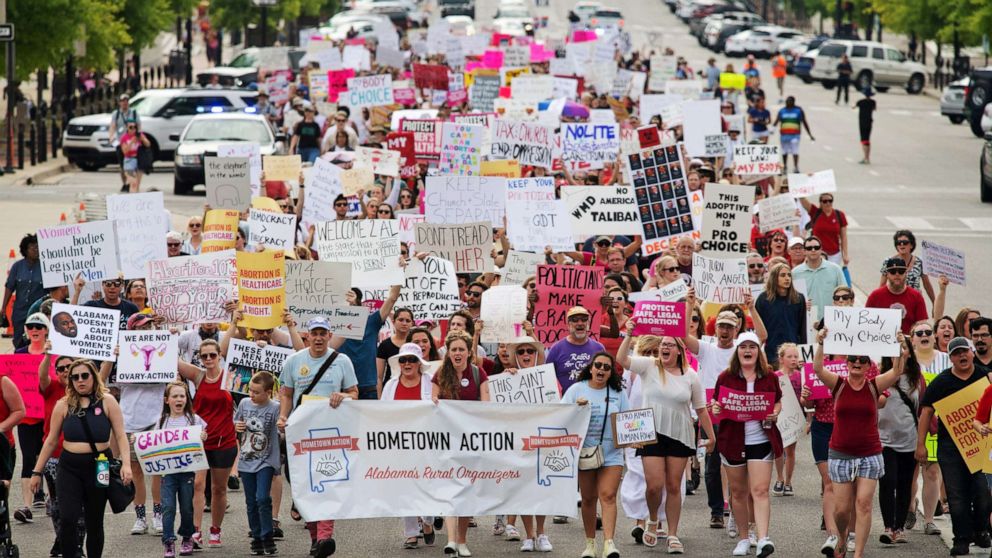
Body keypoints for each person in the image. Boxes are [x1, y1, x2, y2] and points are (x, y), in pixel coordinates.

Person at [616, 328, 715, 554]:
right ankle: (651, 519)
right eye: (663, 345)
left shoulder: (691, 376)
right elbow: (621, 359)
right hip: (651, 434)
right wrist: (630, 333)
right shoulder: (649, 366)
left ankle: (672, 534)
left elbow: (701, 409)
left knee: (673, 486)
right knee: (654, 486)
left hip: (680, 435)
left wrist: (711, 436)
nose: (664, 348)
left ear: (680, 351)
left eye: (670, 345)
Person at [813, 328, 906, 558]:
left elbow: (897, 370)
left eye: (862, 360)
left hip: (869, 453)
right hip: (840, 453)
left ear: (868, 365)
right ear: (846, 363)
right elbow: (817, 368)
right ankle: (843, 539)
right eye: (852, 359)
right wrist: (821, 343)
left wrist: (899, 347)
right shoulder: (839, 385)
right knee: (842, 510)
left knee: (864, 504)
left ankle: (859, 554)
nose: (856, 362)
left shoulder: (874, 385)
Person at [30, 359, 133, 558]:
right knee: (68, 518)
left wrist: (126, 464)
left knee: (95, 521)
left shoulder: (107, 401)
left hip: (100, 465)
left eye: (84, 376)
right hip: (69, 467)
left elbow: (121, 435)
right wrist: (36, 471)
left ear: (93, 377)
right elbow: (51, 441)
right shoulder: (63, 404)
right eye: (75, 377)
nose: (80, 380)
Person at [277, 317, 358, 558]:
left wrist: (343, 396)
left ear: (330, 335)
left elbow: (355, 393)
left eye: (323, 333)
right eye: (315, 333)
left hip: (331, 433)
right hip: (301, 433)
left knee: (327, 482)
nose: (319, 337)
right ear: (307, 336)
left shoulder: (342, 361)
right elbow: (287, 395)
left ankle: (325, 536)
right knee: (305, 485)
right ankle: (315, 537)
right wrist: (283, 417)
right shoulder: (294, 361)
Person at [917, 337, 992, 556]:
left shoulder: (985, 376)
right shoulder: (941, 382)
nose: (962, 356)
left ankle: (980, 530)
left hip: (981, 445)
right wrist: (920, 444)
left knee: (982, 492)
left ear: (972, 352)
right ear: (950, 358)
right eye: (956, 353)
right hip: (950, 448)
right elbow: (926, 412)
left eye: (965, 352)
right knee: (956, 494)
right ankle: (961, 538)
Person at [710, 332, 782, 557]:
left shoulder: (769, 376)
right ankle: (743, 538)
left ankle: (763, 538)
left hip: (760, 439)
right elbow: (716, 402)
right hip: (733, 440)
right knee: (739, 493)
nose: (748, 350)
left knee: (760, 490)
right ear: (737, 351)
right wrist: (716, 408)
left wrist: (774, 413)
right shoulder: (725, 377)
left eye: (752, 346)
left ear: (758, 352)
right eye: (743, 347)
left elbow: (777, 401)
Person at [562, 352, 629, 558]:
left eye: (606, 367)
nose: (601, 369)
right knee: (589, 499)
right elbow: (560, 415)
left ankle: (609, 544)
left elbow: (627, 421)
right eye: (598, 365)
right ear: (591, 368)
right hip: (585, 453)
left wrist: (636, 438)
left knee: (608, 496)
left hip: (612, 454)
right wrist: (575, 409)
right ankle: (590, 545)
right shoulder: (576, 389)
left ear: (611, 373)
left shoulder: (618, 393)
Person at [431, 332, 490, 557]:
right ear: (448, 352)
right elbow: (432, 404)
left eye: (461, 349)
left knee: (466, 491)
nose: (457, 353)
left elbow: (486, 404)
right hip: (446, 442)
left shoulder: (477, 373)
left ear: (468, 352)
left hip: (470, 443)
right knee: (449, 490)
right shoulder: (440, 374)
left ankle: (463, 541)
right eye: (453, 350)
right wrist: (436, 402)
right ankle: (452, 540)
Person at [108, 313, 165, 537]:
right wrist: (113, 358)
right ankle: (140, 517)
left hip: (156, 419)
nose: (146, 331)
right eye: (141, 327)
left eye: (149, 327)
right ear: (132, 331)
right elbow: (105, 384)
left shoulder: (163, 350)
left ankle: (158, 515)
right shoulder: (123, 354)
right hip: (131, 420)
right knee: (137, 472)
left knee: (158, 470)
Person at [177, 339, 237, 549]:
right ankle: (195, 531)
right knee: (198, 485)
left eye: (213, 355)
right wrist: (160, 333)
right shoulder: (198, 375)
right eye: (204, 356)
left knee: (219, 489)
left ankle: (215, 530)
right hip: (199, 440)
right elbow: (169, 358)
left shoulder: (230, 375)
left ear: (220, 355)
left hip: (224, 441)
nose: (209, 359)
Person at [380, 343, 438, 549]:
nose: (407, 364)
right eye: (403, 360)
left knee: (427, 487)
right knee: (405, 487)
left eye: (412, 360)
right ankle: (411, 533)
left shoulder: (431, 382)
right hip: (400, 446)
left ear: (419, 363)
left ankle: (428, 521)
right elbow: (381, 415)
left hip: (427, 445)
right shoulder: (390, 386)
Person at [877, 337, 924, 546]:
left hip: (909, 439)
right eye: (896, 348)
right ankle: (888, 527)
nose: (901, 351)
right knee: (888, 482)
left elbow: (923, 410)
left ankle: (899, 527)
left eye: (904, 347)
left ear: (910, 352)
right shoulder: (881, 375)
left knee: (905, 484)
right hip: (884, 440)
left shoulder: (916, 378)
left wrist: (921, 443)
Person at [37, 349, 83, 557]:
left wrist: (111, 356)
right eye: (61, 368)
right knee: (59, 506)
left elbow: (100, 378)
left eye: (68, 367)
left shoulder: (84, 389)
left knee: (80, 506)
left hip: (81, 457)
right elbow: (42, 376)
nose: (65, 371)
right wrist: (48, 355)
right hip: (54, 456)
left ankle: (75, 546)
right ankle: (64, 542)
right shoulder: (51, 388)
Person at [156, 382, 208, 558]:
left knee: (187, 507)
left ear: (187, 399)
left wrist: (202, 436)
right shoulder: (162, 421)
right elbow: (153, 442)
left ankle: (187, 537)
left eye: (182, 396)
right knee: (168, 507)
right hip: (168, 473)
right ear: (167, 400)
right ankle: (168, 541)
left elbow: (204, 434)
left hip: (187, 472)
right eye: (175, 396)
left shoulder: (194, 419)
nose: (179, 399)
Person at [234, 372, 281, 556]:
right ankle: (256, 536)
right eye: (250, 391)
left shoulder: (275, 407)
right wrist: (236, 426)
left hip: (266, 460)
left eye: (256, 392)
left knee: (262, 498)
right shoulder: (245, 404)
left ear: (268, 392)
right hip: (247, 460)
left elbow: (282, 425)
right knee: (251, 501)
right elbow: (236, 421)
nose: (251, 395)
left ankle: (267, 535)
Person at [754, 263, 806, 366]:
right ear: (774, 278)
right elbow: (758, 328)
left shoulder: (798, 298)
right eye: (782, 275)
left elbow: (802, 329)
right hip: (770, 353)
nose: (787, 278)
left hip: (793, 353)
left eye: (789, 275)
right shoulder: (763, 299)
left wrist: (802, 353)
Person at [546, 306, 606, 393]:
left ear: (588, 323)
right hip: (566, 403)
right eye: (575, 320)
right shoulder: (556, 348)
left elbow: (606, 375)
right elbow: (547, 377)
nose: (580, 323)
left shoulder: (599, 348)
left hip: (592, 402)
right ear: (568, 324)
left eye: (584, 319)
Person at [2, 233, 45, 348]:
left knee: (36, 342)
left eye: (38, 247)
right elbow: (9, 287)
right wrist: (3, 308)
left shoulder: (45, 267)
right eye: (33, 248)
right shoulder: (17, 266)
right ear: (25, 250)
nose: (36, 250)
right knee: (19, 341)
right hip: (19, 312)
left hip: (38, 313)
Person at [866, 258, 929, 334]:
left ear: (906, 273)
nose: (897, 274)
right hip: (881, 341)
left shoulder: (916, 296)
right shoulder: (875, 296)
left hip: (908, 342)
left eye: (901, 271)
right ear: (887, 274)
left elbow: (922, 324)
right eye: (893, 272)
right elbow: (866, 322)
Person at [772, 344, 802, 496]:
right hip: (779, 416)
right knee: (778, 449)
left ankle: (789, 482)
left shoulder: (800, 376)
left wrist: (808, 420)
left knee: (790, 450)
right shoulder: (775, 376)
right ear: (781, 359)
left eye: (796, 356)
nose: (793, 359)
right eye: (789, 356)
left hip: (794, 417)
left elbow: (806, 399)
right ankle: (779, 478)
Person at [792, 236, 847, 315]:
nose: (813, 250)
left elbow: (845, 294)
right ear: (804, 251)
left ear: (821, 249)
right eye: (809, 248)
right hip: (805, 318)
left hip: (831, 318)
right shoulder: (795, 273)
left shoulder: (835, 269)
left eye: (816, 247)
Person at [877, 230, 934, 304]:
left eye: (905, 242)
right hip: (894, 301)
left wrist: (934, 303)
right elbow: (882, 285)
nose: (901, 244)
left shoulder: (920, 262)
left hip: (914, 302)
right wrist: (878, 304)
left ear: (911, 245)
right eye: (898, 243)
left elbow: (927, 285)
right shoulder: (888, 262)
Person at [773, 96, 814, 174]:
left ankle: (795, 167)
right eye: (786, 101)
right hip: (784, 136)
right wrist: (772, 129)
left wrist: (810, 134)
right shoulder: (782, 111)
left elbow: (804, 122)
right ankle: (785, 166)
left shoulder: (798, 111)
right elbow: (776, 121)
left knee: (795, 151)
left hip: (795, 135)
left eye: (789, 101)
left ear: (793, 102)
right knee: (784, 152)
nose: (787, 103)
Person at [109, 94, 139, 191]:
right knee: (122, 165)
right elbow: (113, 126)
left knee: (133, 164)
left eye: (126, 101)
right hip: (121, 142)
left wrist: (138, 138)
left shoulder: (133, 113)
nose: (124, 103)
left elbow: (139, 126)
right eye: (122, 101)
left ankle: (132, 183)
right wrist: (111, 136)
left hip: (132, 142)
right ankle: (125, 183)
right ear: (120, 103)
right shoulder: (116, 114)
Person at [854, 88, 876, 164]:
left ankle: (865, 158)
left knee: (864, 140)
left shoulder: (860, 102)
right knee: (868, 140)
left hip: (862, 122)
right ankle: (868, 157)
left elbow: (854, 107)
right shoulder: (873, 102)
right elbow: (874, 109)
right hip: (869, 122)